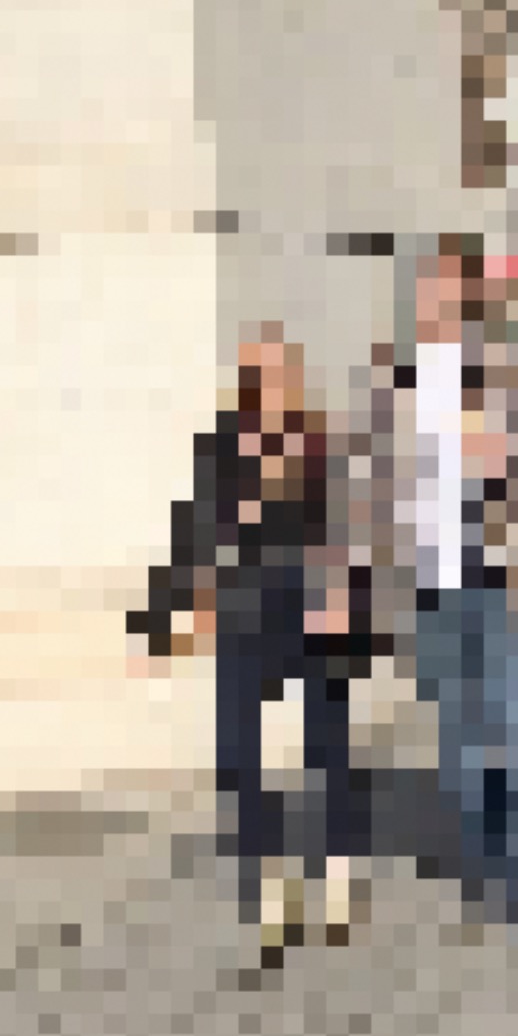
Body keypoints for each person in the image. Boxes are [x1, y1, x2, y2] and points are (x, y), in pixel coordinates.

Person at [133, 326, 373, 962]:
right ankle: (273, 881)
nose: (263, 388)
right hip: (246, 604)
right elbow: (194, 530)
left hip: (315, 602)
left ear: (292, 379)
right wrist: (160, 614)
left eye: (273, 374)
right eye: (253, 376)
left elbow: (351, 531)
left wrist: (353, 606)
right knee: (238, 750)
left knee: (329, 745)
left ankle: (338, 872)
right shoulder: (222, 449)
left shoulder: (322, 444)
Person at [354, 236, 518, 946]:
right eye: (427, 287)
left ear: (469, 296)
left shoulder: (500, 374)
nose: (435, 299)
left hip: (494, 570)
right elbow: (373, 487)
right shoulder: (393, 381)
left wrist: (512, 465)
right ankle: (488, 870)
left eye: (447, 286)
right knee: (459, 740)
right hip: (427, 581)